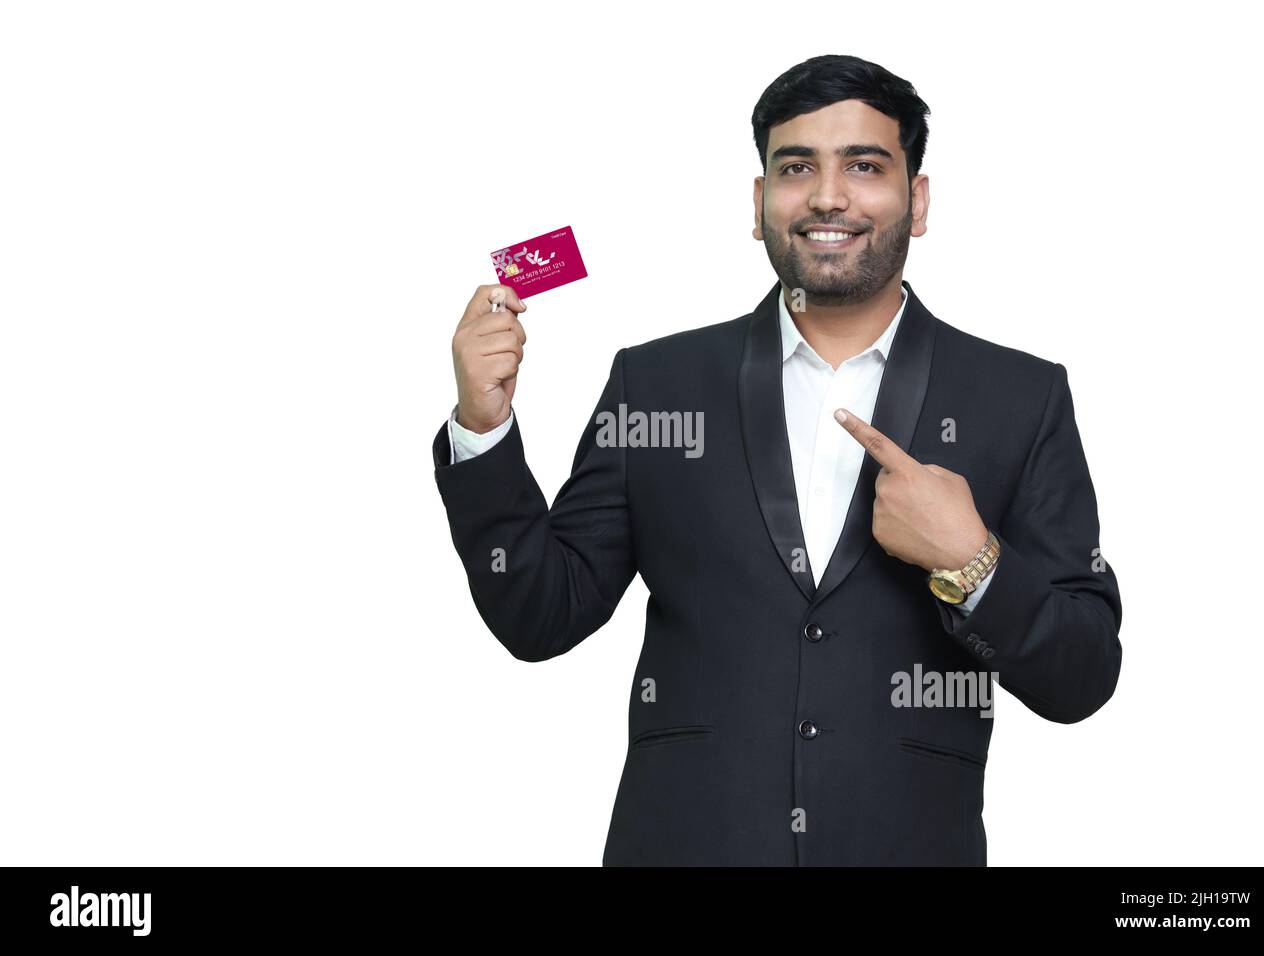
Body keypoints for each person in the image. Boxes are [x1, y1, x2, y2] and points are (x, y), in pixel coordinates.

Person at [432, 54, 1122, 865]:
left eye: (865, 165)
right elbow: (540, 616)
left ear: (919, 199)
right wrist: (484, 428)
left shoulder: (1021, 396)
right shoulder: (653, 383)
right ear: (759, 204)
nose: (829, 195)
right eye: (797, 168)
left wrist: (971, 561)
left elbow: (1082, 676)